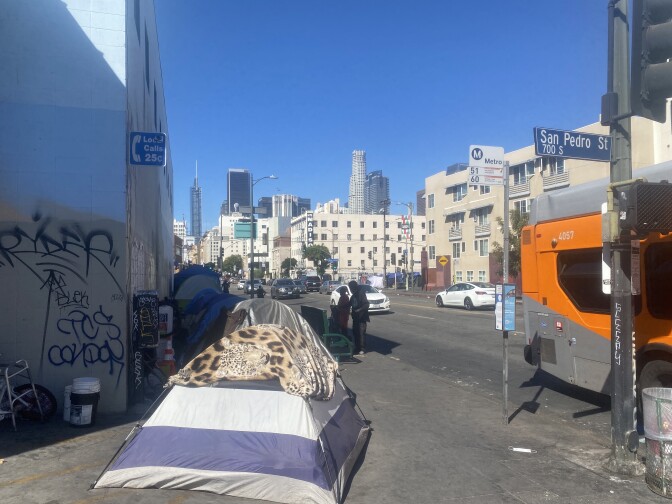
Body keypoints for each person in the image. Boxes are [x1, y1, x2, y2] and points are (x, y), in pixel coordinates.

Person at [348, 281, 370, 355]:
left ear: (354, 287)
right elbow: (349, 304)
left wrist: (359, 310)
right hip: (355, 318)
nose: (350, 290)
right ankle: (357, 347)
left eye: (351, 288)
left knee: (361, 333)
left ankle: (362, 348)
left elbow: (366, 304)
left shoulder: (361, 294)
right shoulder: (353, 295)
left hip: (361, 318)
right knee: (355, 333)